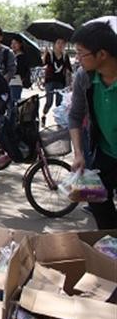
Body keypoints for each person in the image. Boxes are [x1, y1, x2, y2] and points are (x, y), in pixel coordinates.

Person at [68, 22, 117, 229]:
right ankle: (110, 241)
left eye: (81, 53)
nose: (77, 59)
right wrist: (79, 153)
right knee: (97, 201)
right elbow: (75, 116)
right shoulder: (84, 77)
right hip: (105, 154)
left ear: (102, 54)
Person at [42, 38, 72, 127]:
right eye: (58, 43)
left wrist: (71, 82)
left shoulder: (65, 56)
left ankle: (59, 120)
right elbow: (43, 63)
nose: (60, 45)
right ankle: (44, 115)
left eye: (62, 43)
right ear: (55, 44)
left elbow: (69, 69)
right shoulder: (50, 54)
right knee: (49, 101)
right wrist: (44, 54)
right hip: (50, 81)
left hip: (60, 81)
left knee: (59, 102)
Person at [9, 37, 30, 103]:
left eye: (15, 43)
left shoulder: (22, 57)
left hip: (16, 81)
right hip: (9, 81)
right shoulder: (12, 55)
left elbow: (20, 71)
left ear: (20, 44)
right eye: (12, 43)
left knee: (14, 102)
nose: (13, 45)